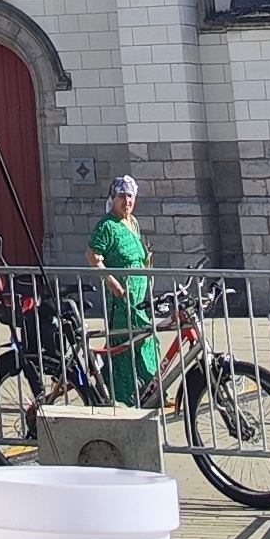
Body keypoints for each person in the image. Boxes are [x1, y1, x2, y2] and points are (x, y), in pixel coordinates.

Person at [90, 171, 159, 407]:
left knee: (146, 340)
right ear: (114, 198)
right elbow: (93, 256)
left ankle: (149, 390)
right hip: (121, 299)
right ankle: (124, 394)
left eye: (130, 196)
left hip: (140, 297)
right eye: (122, 196)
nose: (127, 201)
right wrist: (111, 281)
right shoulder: (107, 225)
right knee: (126, 345)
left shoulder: (133, 222)